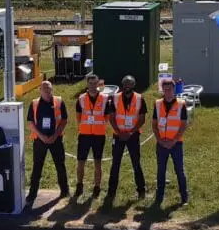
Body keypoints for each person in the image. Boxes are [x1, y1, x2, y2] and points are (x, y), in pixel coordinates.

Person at [104, 75, 147, 205]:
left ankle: (141, 190)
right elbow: (111, 118)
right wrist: (119, 132)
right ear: (122, 85)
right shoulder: (114, 98)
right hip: (118, 136)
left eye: (130, 84)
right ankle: (111, 192)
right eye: (125, 84)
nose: (127, 86)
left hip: (133, 136)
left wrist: (131, 132)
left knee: (136, 163)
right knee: (115, 164)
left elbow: (142, 119)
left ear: (134, 85)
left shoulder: (140, 99)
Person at [26, 80, 69, 206]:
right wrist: (42, 137)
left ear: (52, 89)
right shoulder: (34, 103)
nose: (47, 90)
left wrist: (55, 136)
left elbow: (64, 120)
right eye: (44, 88)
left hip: (56, 139)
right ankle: (32, 193)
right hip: (40, 141)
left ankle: (65, 191)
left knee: (60, 165)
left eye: (49, 88)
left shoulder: (59, 101)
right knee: (37, 167)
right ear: (40, 90)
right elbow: (30, 122)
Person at [152, 78, 189, 206]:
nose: (167, 92)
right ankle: (159, 195)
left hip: (176, 143)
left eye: (170, 89)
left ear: (174, 89)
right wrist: (159, 140)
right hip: (161, 144)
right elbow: (154, 125)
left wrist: (174, 140)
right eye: (165, 89)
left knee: (179, 170)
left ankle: (184, 196)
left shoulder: (181, 104)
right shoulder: (157, 104)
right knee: (161, 170)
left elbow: (183, 125)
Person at [75, 73, 111, 199]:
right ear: (87, 84)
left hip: (99, 135)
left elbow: (107, 118)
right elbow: (78, 117)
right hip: (84, 135)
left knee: (98, 162)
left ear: (98, 84)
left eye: (94, 83)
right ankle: (79, 185)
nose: (92, 85)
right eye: (90, 83)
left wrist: (96, 125)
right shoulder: (81, 98)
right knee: (81, 162)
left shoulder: (105, 99)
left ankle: (97, 186)